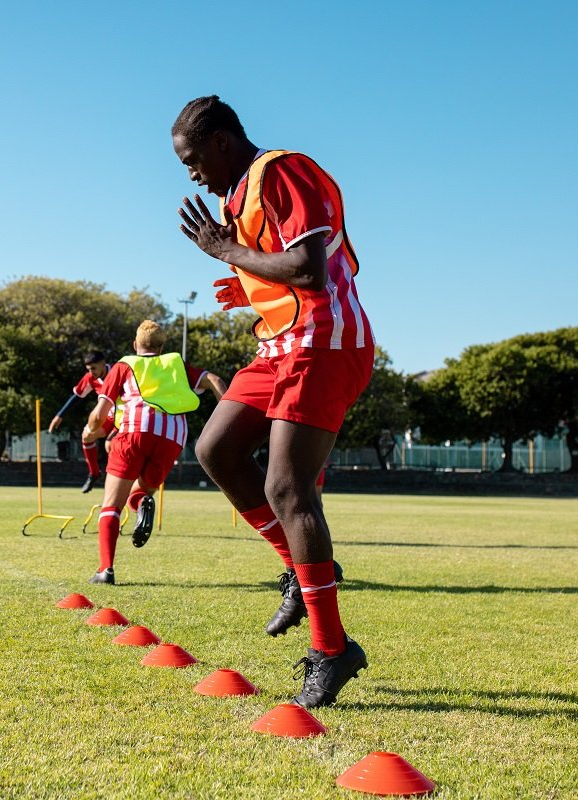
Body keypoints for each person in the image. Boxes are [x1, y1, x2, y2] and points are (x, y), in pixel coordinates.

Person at [171, 96, 374, 708]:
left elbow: (310, 270)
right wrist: (247, 283)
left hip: (325, 339)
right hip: (279, 346)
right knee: (215, 448)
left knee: (288, 488)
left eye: (191, 161)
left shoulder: (282, 170)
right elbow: (279, 268)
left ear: (222, 142)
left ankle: (330, 649)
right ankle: (303, 570)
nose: (191, 174)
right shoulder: (239, 198)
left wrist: (228, 252)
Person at [84, 320, 226, 585]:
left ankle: (105, 570)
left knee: (111, 504)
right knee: (139, 492)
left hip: (135, 431)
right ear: (161, 347)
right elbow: (214, 380)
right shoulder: (176, 365)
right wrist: (228, 420)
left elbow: (100, 413)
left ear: (135, 345)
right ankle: (141, 504)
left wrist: (90, 430)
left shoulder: (124, 365)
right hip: (172, 438)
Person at [48, 351, 113, 492]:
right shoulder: (90, 378)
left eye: (94, 368)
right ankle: (94, 473)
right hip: (107, 417)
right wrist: (60, 415)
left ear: (103, 363)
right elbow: (77, 396)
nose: (91, 372)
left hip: (125, 416)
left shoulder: (117, 372)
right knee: (87, 435)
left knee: (111, 445)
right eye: (88, 369)